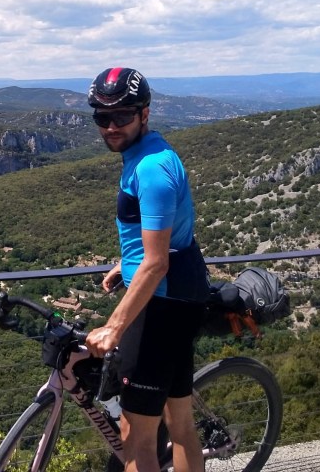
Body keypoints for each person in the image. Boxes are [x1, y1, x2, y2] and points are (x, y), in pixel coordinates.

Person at [83, 67, 209, 472]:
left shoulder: (151, 169)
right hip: (182, 294)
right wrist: (128, 263)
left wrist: (114, 328)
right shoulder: (151, 153)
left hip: (160, 305)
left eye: (122, 116)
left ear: (144, 114)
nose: (111, 127)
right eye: (103, 117)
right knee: (179, 423)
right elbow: (166, 237)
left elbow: (156, 263)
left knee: (136, 438)